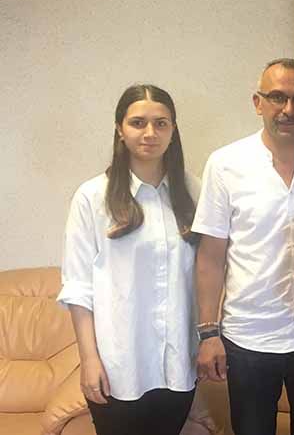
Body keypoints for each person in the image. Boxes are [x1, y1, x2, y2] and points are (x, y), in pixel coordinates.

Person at [193, 58, 294, 435]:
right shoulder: (225, 164)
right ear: (257, 102)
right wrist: (209, 334)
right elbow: (210, 258)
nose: (288, 109)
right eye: (277, 97)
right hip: (250, 337)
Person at [58, 84, 199, 435]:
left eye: (161, 123)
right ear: (120, 129)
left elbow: (209, 270)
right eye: (138, 123)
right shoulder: (93, 197)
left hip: (177, 364)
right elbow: (78, 287)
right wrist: (89, 359)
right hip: (118, 366)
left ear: (173, 130)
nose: (150, 133)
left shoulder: (193, 191)